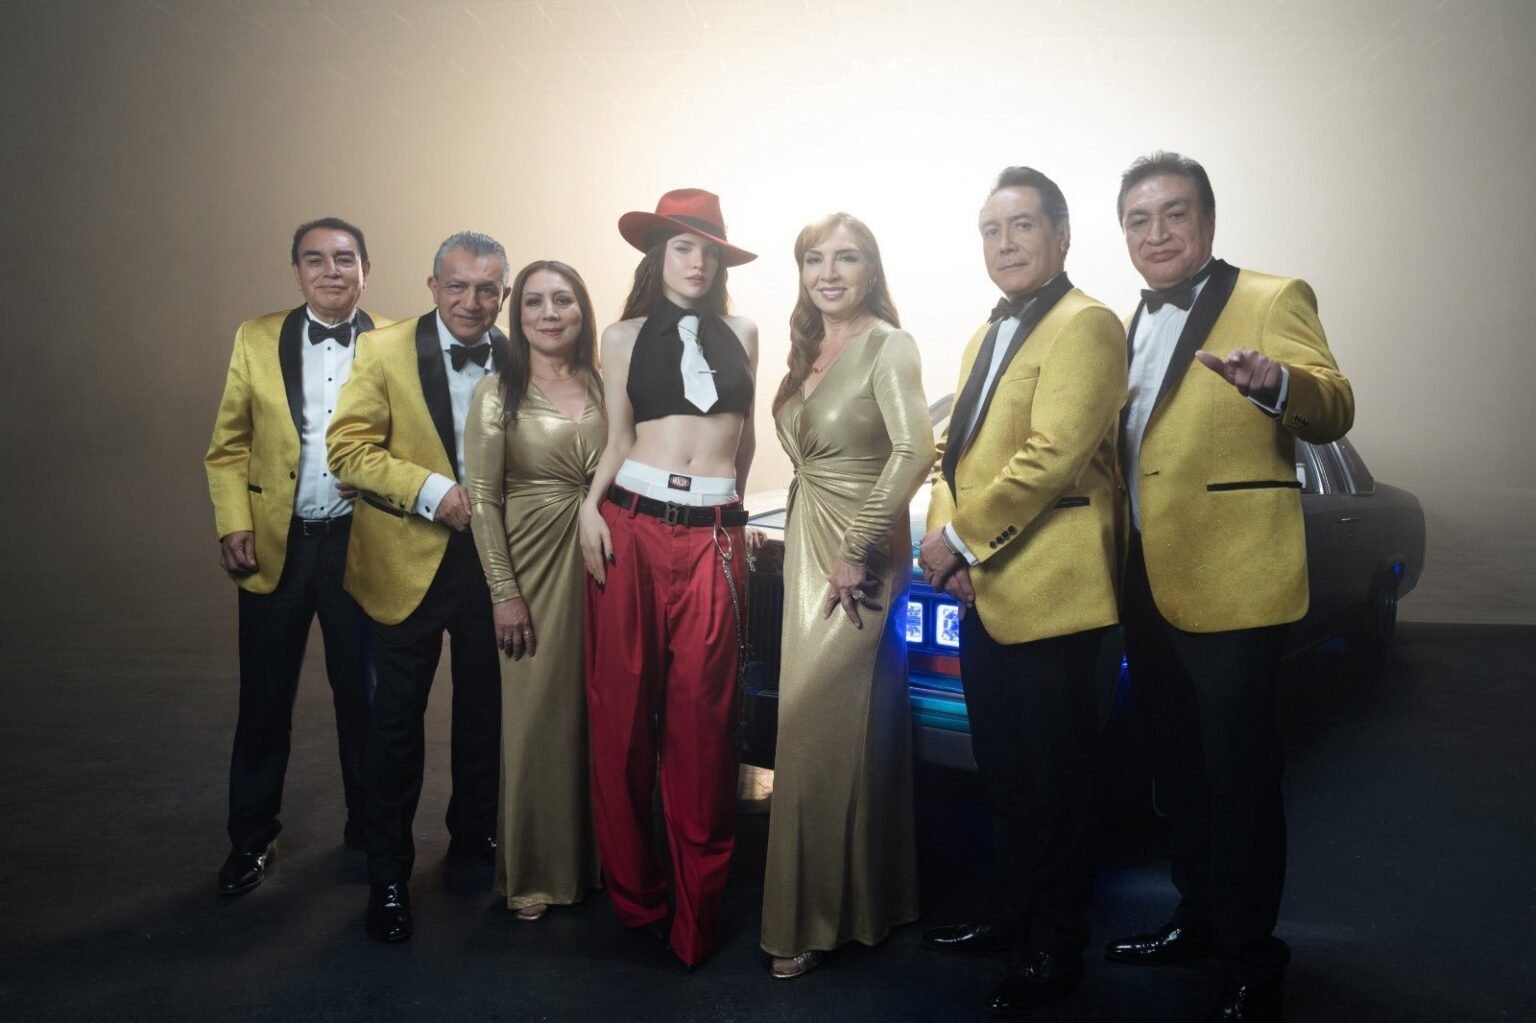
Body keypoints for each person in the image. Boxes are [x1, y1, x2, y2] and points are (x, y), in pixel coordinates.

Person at [1103, 152, 1353, 1022]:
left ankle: (1252, 958)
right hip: (1144, 580)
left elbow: (1335, 404)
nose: (1156, 233)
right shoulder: (1121, 327)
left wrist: (1277, 383)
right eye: (1138, 219)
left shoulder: (1273, 297)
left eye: (1174, 214)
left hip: (1236, 581)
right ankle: (1198, 918)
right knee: (1177, 769)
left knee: (1239, 776)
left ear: (1207, 221)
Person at [915, 167, 1127, 1016]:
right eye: (991, 229)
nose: (1005, 244)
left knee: (1057, 786)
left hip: (1057, 595)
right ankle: (1012, 916)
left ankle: (1056, 947)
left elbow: (1052, 458)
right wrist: (950, 548)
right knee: (1004, 776)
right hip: (987, 590)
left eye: (1023, 225)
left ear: (1062, 235)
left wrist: (959, 540)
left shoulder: (1089, 324)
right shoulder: (983, 335)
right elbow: (951, 456)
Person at [579, 188, 758, 968]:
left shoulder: (745, 333)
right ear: (658, 256)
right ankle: (637, 897)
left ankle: (696, 917)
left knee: (704, 728)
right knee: (621, 719)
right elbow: (618, 437)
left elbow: (744, 442)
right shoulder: (621, 337)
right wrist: (588, 507)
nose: (697, 262)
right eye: (683, 247)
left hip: (713, 534)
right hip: (630, 525)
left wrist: (735, 516)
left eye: (710, 251)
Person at [327, 231, 512, 943]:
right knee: (396, 726)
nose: (471, 301)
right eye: (457, 286)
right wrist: (434, 492)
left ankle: (474, 842)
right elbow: (348, 449)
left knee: (486, 713)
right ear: (433, 286)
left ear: (503, 293)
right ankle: (389, 877)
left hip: (496, 566)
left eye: (487, 289)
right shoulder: (382, 349)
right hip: (405, 559)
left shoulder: (523, 354)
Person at [759, 213, 932, 978]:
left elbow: (915, 450)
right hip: (809, 545)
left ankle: (807, 916)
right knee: (840, 732)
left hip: (857, 555)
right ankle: (868, 902)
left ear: (872, 269)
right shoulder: (807, 349)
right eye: (814, 259)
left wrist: (856, 546)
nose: (828, 273)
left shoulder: (889, 344)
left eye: (847, 258)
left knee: (815, 727)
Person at [204, 217, 388, 895]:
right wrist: (233, 522)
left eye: (344, 258)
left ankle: (371, 832)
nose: (331, 270)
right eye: (316, 259)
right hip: (275, 547)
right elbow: (228, 446)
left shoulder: (396, 340)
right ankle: (251, 840)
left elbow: (416, 442)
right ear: (297, 272)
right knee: (263, 702)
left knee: (364, 700)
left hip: (362, 545)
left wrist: (380, 478)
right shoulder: (255, 337)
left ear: (365, 268)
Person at [463, 260, 605, 922]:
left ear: (583, 310)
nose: (549, 313)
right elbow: (482, 500)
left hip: (605, 564)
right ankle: (536, 873)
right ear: (516, 317)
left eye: (563, 300)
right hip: (531, 564)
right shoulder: (497, 392)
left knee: (602, 714)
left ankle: (600, 862)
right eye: (534, 302)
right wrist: (503, 591)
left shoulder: (608, 384)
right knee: (536, 716)